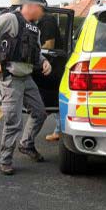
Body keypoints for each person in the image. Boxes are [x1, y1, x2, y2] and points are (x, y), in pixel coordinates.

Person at [0, 0, 52, 175]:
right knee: (13, 122)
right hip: (10, 78)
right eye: (42, 10)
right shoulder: (11, 19)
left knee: (40, 113)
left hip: (27, 78)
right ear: (33, 6)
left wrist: (44, 61)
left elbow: (35, 52)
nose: (43, 14)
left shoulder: (35, 29)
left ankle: (26, 144)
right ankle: (5, 160)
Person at [38, 13, 63, 142]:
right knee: (55, 98)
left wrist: (33, 51)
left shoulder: (46, 21)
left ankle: (60, 130)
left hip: (54, 66)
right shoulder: (46, 21)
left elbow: (49, 45)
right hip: (55, 65)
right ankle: (59, 129)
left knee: (54, 99)